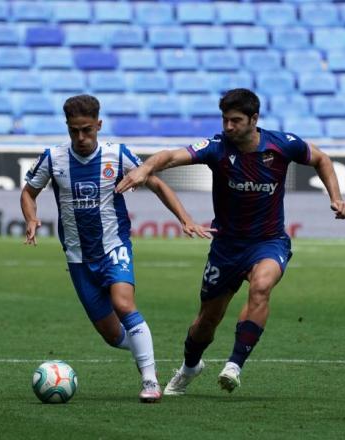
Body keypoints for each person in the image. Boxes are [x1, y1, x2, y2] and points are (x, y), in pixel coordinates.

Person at [116, 88, 345, 395]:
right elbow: (171, 156)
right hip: (226, 247)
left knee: (262, 287)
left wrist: (336, 197)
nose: (228, 127)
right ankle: (190, 366)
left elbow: (321, 159)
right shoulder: (216, 148)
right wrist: (145, 169)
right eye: (225, 120)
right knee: (207, 321)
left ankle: (234, 365)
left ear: (254, 119)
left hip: (269, 242)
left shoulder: (282, 145)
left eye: (235, 121)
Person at [21, 94, 212, 403]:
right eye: (74, 131)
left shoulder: (118, 155)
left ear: (99, 124)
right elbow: (28, 193)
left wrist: (185, 219)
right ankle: (144, 346)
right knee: (111, 336)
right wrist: (31, 218)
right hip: (78, 257)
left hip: (114, 247)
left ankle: (150, 380)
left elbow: (156, 183)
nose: (81, 137)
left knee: (124, 305)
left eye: (87, 130)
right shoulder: (53, 159)